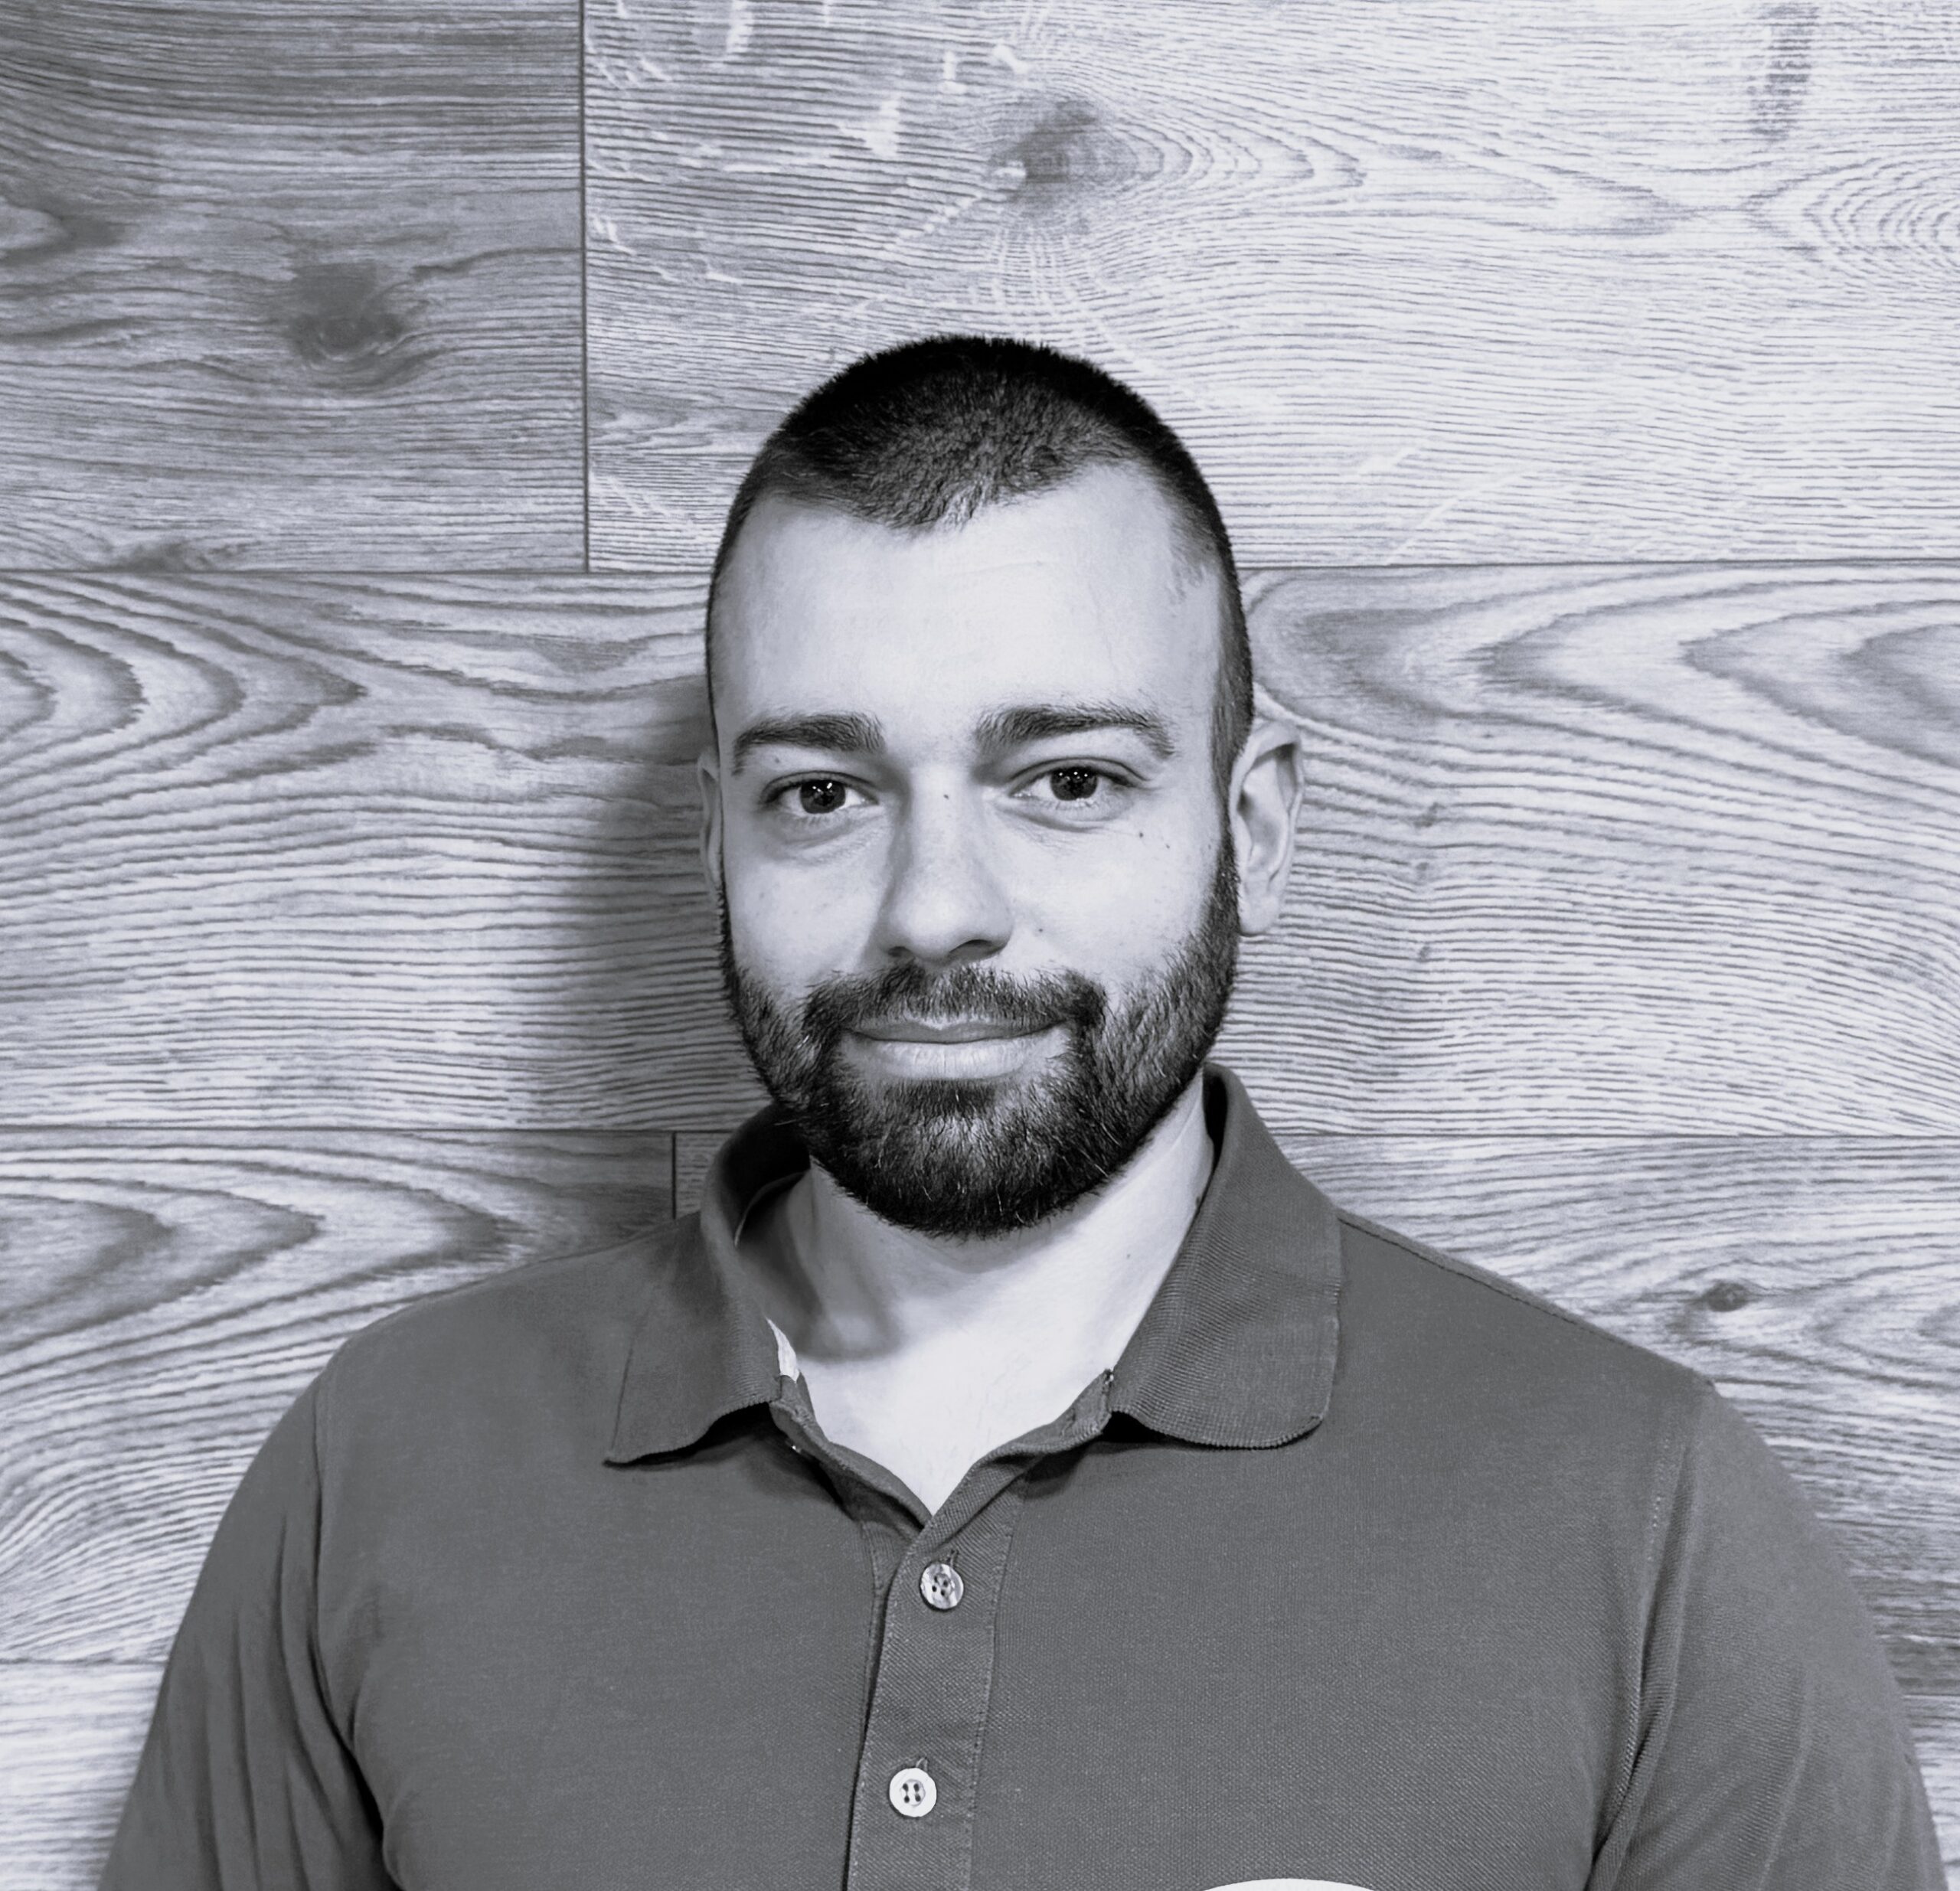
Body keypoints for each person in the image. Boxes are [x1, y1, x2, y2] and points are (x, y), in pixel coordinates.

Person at [103, 336, 1941, 1891]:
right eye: (822, 792)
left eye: (1062, 779)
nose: (931, 910)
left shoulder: (1642, 1517)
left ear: (1251, 827)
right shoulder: (383, 1464)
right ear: (715, 845)